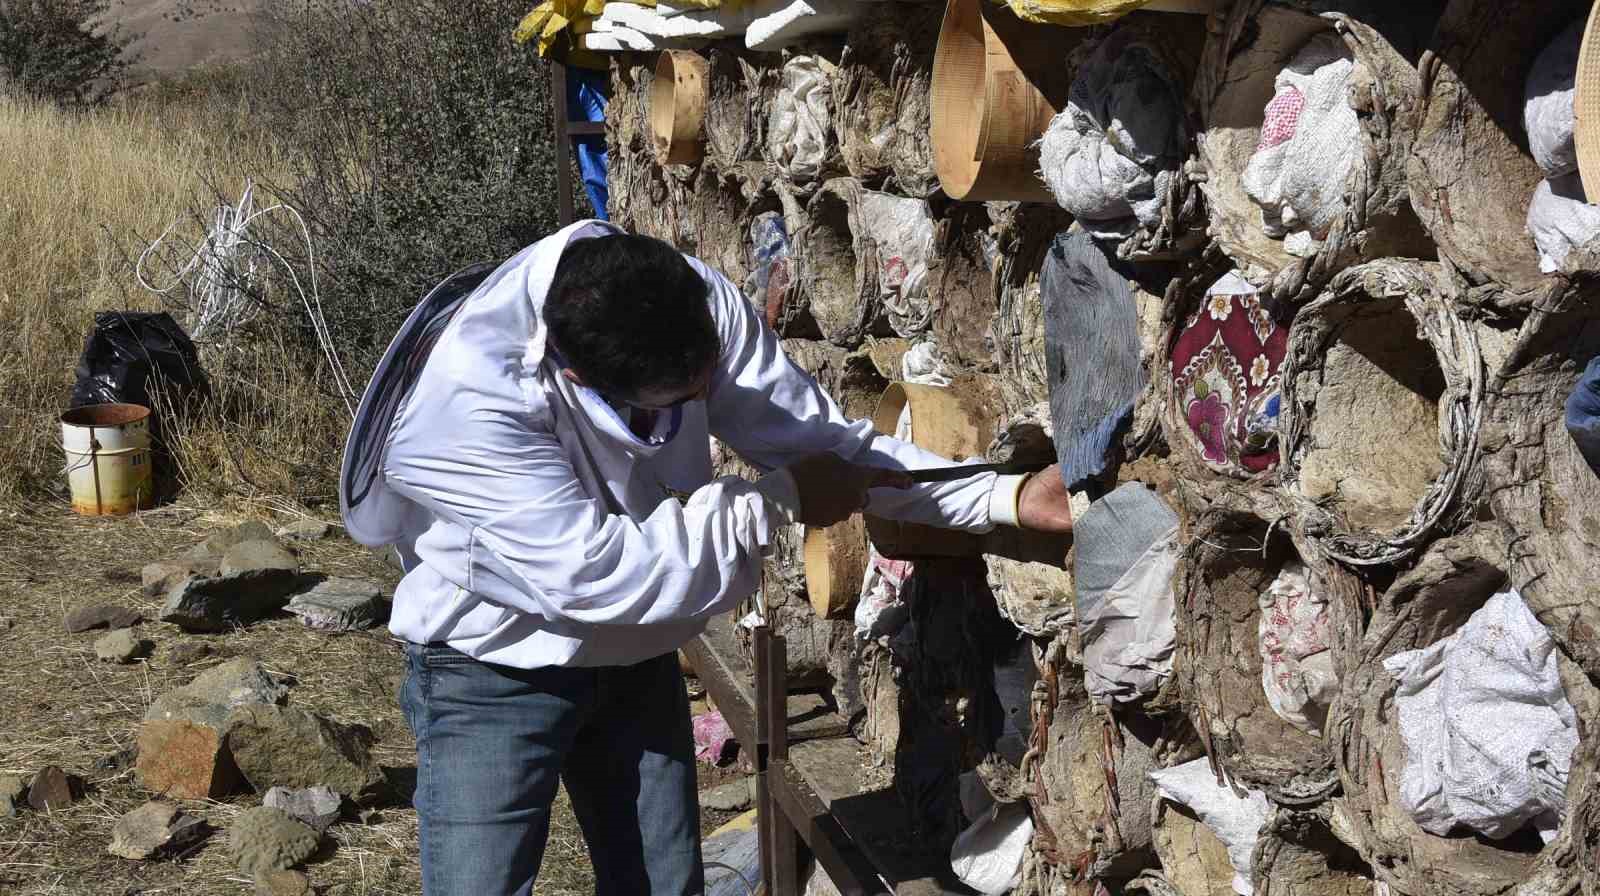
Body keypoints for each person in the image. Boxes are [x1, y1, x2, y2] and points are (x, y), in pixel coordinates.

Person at [338, 220, 1077, 896]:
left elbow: (825, 447)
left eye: (706, 384)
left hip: (635, 659)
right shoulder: (463, 406)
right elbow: (600, 576)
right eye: (684, 397)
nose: (704, 400)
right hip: (492, 663)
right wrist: (776, 501)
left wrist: (1002, 498)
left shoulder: (685, 299)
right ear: (578, 379)